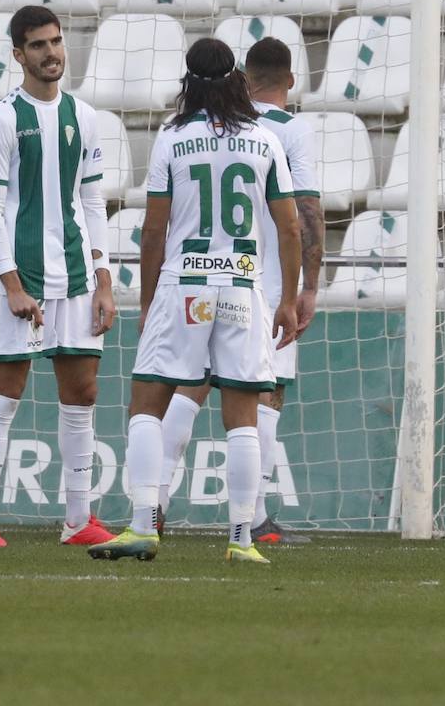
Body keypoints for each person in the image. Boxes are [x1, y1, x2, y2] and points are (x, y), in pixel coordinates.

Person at [91, 37, 301, 565]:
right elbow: (290, 227)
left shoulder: (172, 138)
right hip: (242, 286)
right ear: (236, 79)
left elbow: (154, 231)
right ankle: (241, 539)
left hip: (184, 285)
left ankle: (143, 525)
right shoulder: (264, 139)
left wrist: (147, 300)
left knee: (146, 404)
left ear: (189, 82)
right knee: (243, 417)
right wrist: (290, 299)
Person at [155, 37, 323, 545]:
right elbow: (307, 216)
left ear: (245, 79)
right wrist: (306, 289)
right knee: (262, 397)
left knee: (189, 388)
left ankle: (151, 506)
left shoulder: (199, 129)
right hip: (263, 286)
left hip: (198, 275)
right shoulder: (287, 132)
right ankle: (252, 521)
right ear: (290, 81)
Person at [0, 6, 117, 548]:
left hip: (75, 273)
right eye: (38, 45)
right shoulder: (3, 118)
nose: (51, 53)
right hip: (22, 278)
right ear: (17, 54)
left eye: (56, 42)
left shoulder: (85, 116)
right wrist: (10, 285)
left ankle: (78, 519)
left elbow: (92, 198)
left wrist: (103, 277)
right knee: (6, 393)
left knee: (83, 392)